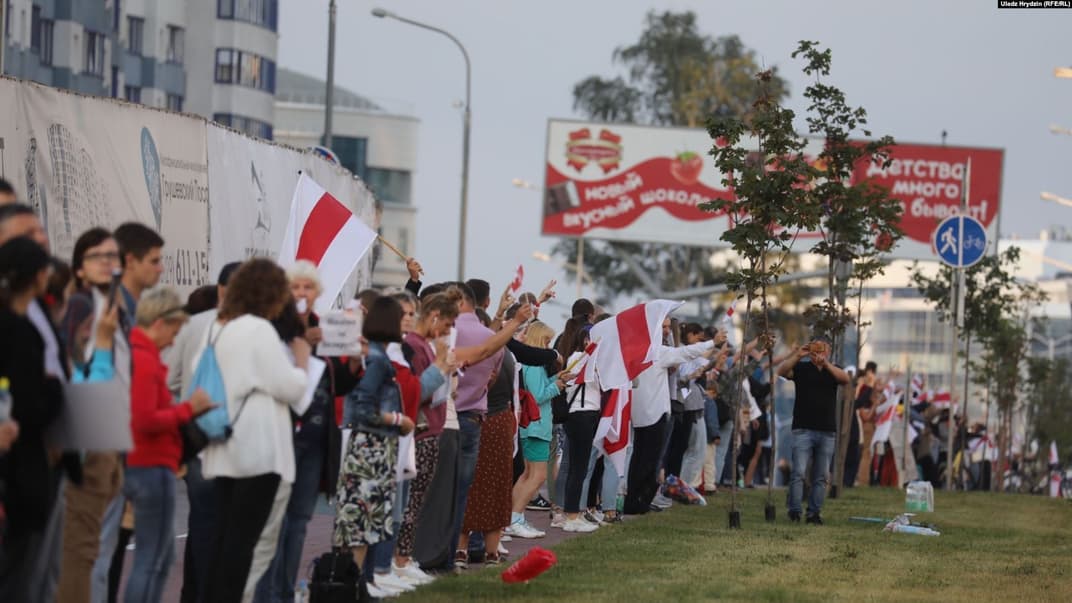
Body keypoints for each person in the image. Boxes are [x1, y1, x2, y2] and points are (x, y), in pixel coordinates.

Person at [200, 259, 310, 603]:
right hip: (259, 452)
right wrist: (303, 361)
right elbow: (290, 386)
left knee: (222, 541)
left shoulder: (218, 327)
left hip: (223, 445)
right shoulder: (260, 330)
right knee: (248, 544)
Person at [123, 286, 214, 602]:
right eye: (174, 331)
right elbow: (146, 419)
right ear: (159, 323)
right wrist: (190, 409)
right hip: (150, 466)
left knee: (154, 558)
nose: (175, 340)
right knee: (153, 560)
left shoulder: (140, 356)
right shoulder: (145, 361)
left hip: (148, 464)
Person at [94, 222, 166, 603]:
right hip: (108, 445)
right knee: (101, 554)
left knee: (115, 550)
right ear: (131, 261)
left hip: (126, 445)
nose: (161, 269)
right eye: (154, 261)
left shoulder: (133, 311)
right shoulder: (109, 309)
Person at [56, 227, 125, 603]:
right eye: (99, 256)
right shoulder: (81, 307)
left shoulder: (113, 309)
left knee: (95, 554)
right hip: (88, 438)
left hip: (106, 437)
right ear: (79, 266)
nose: (109, 264)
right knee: (85, 558)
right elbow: (83, 384)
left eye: (114, 257)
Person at [165, 262, 240, 603]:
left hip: (196, 436)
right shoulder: (259, 330)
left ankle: (193, 593)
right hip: (233, 439)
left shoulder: (192, 326)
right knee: (223, 525)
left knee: (204, 521)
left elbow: (172, 381)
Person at [334, 296, 414, 597]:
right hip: (371, 450)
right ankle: (353, 586)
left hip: (371, 448)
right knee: (362, 523)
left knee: (361, 522)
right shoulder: (378, 361)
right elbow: (364, 406)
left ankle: (354, 584)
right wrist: (398, 419)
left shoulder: (374, 356)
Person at [0, 237, 64, 602]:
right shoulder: (21, 330)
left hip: (22, 463)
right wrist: (55, 390)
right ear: (40, 276)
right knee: (24, 577)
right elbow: (30, 403)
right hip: (25, 466)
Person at [395, 290, 459, 583]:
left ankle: (404, 557)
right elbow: (418, 390)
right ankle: (400, 558)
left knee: (416, 500)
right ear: (435, 318)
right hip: (421, 430)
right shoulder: (416, 346)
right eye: (446, 326)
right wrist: (443, 367)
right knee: (411, 500)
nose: (446, 334)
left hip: (429, 427)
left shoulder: (423, 346)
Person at [624, 317, 714, 515]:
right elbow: (685, 352)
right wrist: (713, 343)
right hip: (654, 414)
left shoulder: (638, 349)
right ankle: (639, 501)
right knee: (649, 461)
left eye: (667, 327)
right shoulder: (657, 351)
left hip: (641, 413)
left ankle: (636, 500)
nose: (667, 331)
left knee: (640, 459)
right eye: (663, 327)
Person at [777, 336, 850, 524]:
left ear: (829, 351)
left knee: (821, 476)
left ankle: (814, 513)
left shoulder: (834, 370)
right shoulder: (801, 368)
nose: (818, 353)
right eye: (815, 349)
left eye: (822, 349)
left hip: (827, 431)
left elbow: (846, 379)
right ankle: (794, 511)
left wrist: (826, 365)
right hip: (803, 429)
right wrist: (798, 355)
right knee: (799, 473)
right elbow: (782, 371)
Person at [509, 321, 566, 538]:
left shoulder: (533, 366)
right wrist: (557, 386)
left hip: (533, 426)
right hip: (536, 426)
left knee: (527, 475)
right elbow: (538, 396)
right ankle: (515, 517)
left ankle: (516, 517)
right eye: (546, 341)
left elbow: (539, 389)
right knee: (537, 476)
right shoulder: (534, 366)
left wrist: (556, 380)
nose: (548, 345)